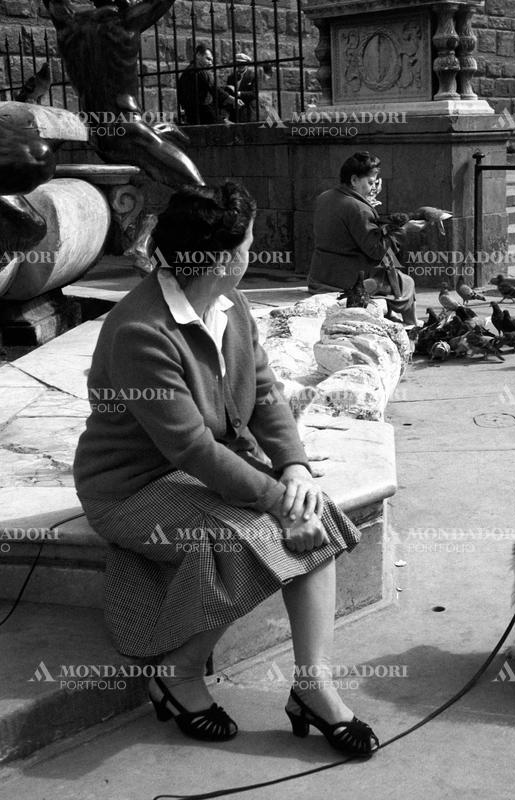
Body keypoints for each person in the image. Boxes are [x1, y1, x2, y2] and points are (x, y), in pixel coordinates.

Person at [73, 181, 378, 757]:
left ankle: (313, 685)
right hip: (132, 487)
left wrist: (293, 470)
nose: (252, 251)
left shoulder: (229, 303)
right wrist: (274, 499)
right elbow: (189, 447)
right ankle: (179, 674)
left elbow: (265, 393)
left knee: (315, 516)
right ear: (221, 258)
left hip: (199, 470)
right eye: (249, 242)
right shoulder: (141, 330)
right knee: (249, 538)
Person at [43, 0, 203, 188]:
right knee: (200, 190)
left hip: (95, 131)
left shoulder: (68, 24)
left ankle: (161, 131)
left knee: (170, 133)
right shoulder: (125, 23)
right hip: (126, 128)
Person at [307, 152, 418, 327]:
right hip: (348, 280)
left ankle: (394, 317)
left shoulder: (324, 197)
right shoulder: (358, 208)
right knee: (407, 281)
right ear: (354, 180)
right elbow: (377, 251)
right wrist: (403, 230)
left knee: (393, 271)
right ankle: (410, 326)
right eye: (370, 183)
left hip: (320, 275)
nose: (373, 188)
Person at [177, 43, 241, 125]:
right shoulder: (199, 71)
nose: (211, 63)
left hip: (192, 114)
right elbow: (213, 88)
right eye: (208, 59)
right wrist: (232, 99)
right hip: (204, 113)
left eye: (211, 60)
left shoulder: (187, 72)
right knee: (230, 128)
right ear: (198, 55)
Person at [224, 53, 256, 123]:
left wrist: (239, 93)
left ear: (247, 63)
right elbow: (228, 93)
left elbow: (254, 94)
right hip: (234, 112)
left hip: (247, 111)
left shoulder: (253, 76)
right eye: (238, 63)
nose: (240, 65)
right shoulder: (231, 77)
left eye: (242, 63)